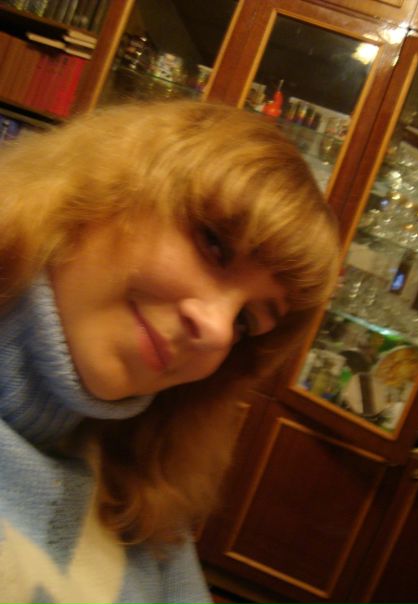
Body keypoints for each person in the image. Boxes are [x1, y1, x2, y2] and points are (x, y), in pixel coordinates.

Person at [0, 99, 339, 603]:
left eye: (246, 322)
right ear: (102, 185)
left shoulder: (137, 500)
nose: (217, 331)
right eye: (214, 246)